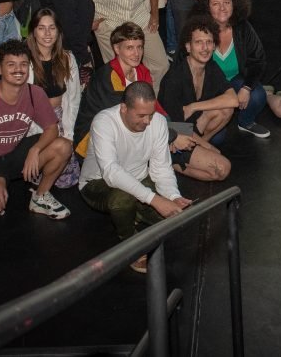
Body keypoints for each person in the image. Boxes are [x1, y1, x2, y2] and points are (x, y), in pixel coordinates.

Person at [78, 82, 193, 273]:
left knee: (175, 221)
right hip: (97, 183)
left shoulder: (158, 122)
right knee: (123, 199)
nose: (148, 121)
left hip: (139, 179)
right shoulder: (104, 121)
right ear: (124, 108)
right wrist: (155, 200)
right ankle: (130, 246)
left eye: (151, 114)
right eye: (141, 115)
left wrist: (173, 196)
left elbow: (161, 169)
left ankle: (136, 214)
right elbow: (111, 173)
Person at [0, 39, 73, 219]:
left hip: (14, 154)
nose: (18, 69)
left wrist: (34, 150)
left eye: (23, 64)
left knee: (64, 146)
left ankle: (40, 196)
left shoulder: (34, 93)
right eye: (11, 64)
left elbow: (52, 128)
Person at [157, 15, 236, 176]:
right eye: (198, 42)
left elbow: (233, 100)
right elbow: (174, 126)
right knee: (223, 168)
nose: (205, 48)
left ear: (214, 46)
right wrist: (209, 148)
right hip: (172, 137)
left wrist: (194, 107)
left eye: (209, 42)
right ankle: (167, 161)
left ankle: (196, 151)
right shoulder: (174, 78)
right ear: (188, 47)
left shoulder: (211, 67)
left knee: (226, 109)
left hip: (192, 128)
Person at [190, 0, 269, 139]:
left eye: (226, 3)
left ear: (234, 4)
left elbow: (258, 60)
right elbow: (186, 67)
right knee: (218, 139)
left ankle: (245, 122)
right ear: (207, 7)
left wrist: (246, 88)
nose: (222, 8)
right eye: (216, 4)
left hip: (234, 80)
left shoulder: (243, 27)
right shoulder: (197, 30)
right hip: (208, 86)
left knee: (258, 95)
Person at [73, 22, 159, 156]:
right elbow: (124, 117)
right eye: (130, 48)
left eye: (140, 47)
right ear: (117, 49)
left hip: (127, 130)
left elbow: (152, 107)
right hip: (92, 139)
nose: (137, 53)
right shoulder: (107, 77)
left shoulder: (142, 72)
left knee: (169, 125)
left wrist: (169, 127)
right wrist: (169, 135)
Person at [24, 9, 82, 188]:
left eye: (52, 28)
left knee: (67, 181)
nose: (47, 34)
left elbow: (73, 99)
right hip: (33, 123)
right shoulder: (24, 60)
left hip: (61, 119)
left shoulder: (67, 58)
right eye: (41, 28)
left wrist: (69, 132)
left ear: (58, 31)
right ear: (33, 31)